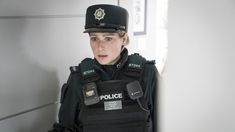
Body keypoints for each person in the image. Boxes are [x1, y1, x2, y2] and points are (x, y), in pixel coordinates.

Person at [49, 4, 159, 132]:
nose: (100, 47)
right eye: (94, 38)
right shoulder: (78, 78)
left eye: (108, 38)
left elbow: (166, 124)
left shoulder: (147, 73)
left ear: (123, 39)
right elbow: (66, 127)